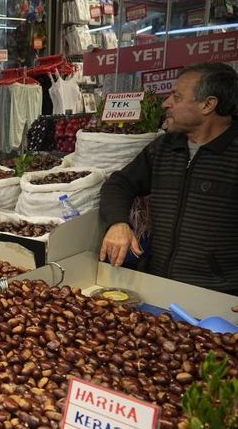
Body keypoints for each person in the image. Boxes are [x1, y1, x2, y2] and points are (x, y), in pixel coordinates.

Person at [99, 62, 238, 296]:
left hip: (217, 296)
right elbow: (119, 183)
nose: (166, 103)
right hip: (159, 287)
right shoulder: (164, 148)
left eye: (177, 96)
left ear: (208, 104)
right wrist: (118, 222)